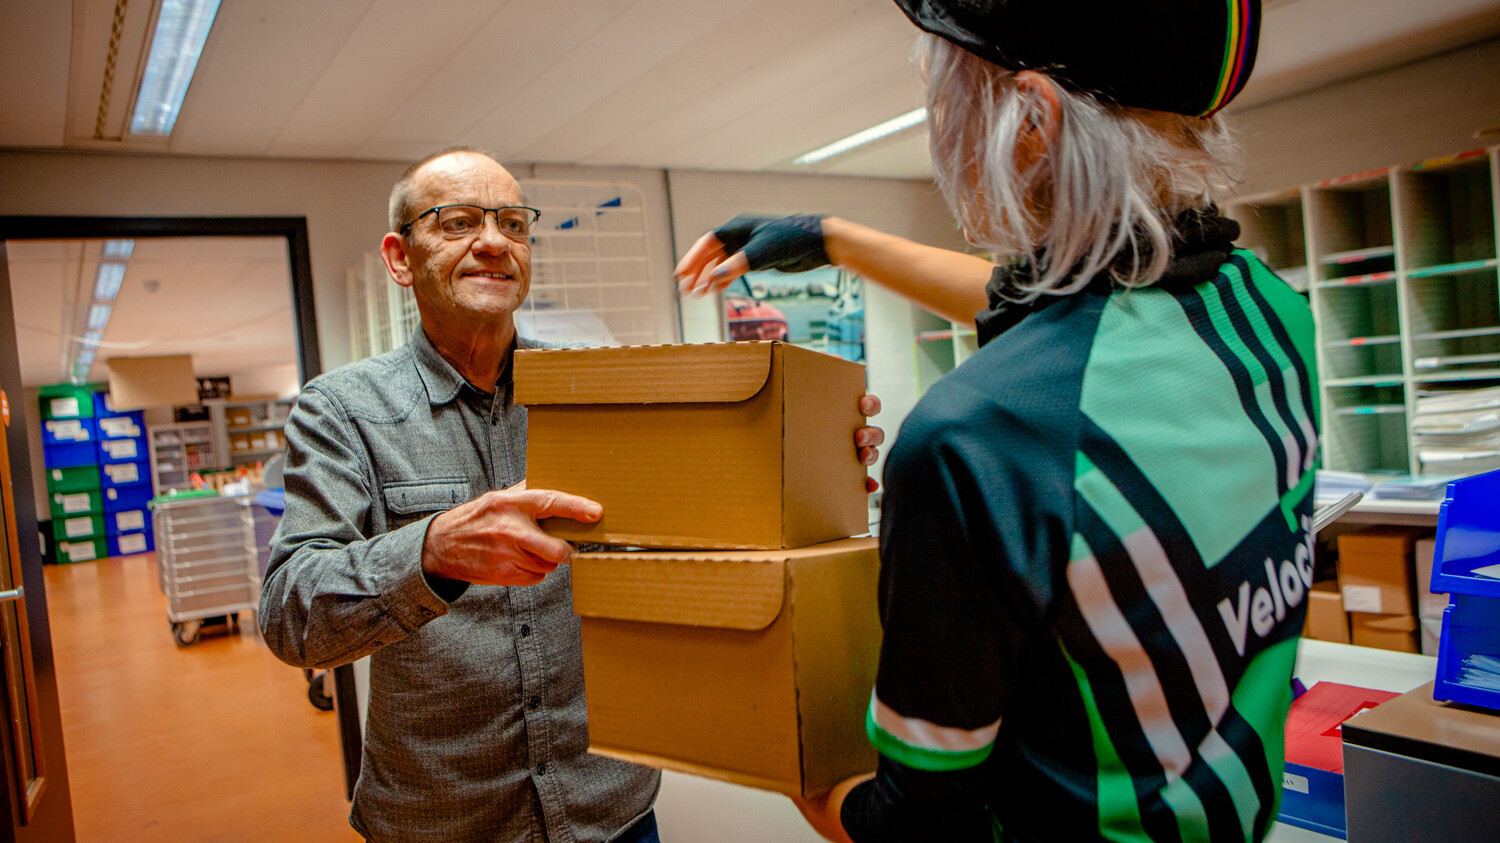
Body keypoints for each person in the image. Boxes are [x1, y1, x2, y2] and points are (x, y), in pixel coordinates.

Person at [675, 2, 1318, 842]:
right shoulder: (1269, 313)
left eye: (946, 97)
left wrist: (797, 770)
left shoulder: (972, 440)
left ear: (1032, 120)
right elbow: (1063, 317)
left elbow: (919, 822)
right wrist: (834, 239)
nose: (942, 129)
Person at [259, 147, 885, 842]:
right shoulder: (342, 411)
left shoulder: (595, 392)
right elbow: (291, 615)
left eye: (513, 224)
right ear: (400, 258)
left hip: (610, 808)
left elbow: (698, 524)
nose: (493, 242)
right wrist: (431, 551)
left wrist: (814, 459)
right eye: (458, 221)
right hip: (446, 820)